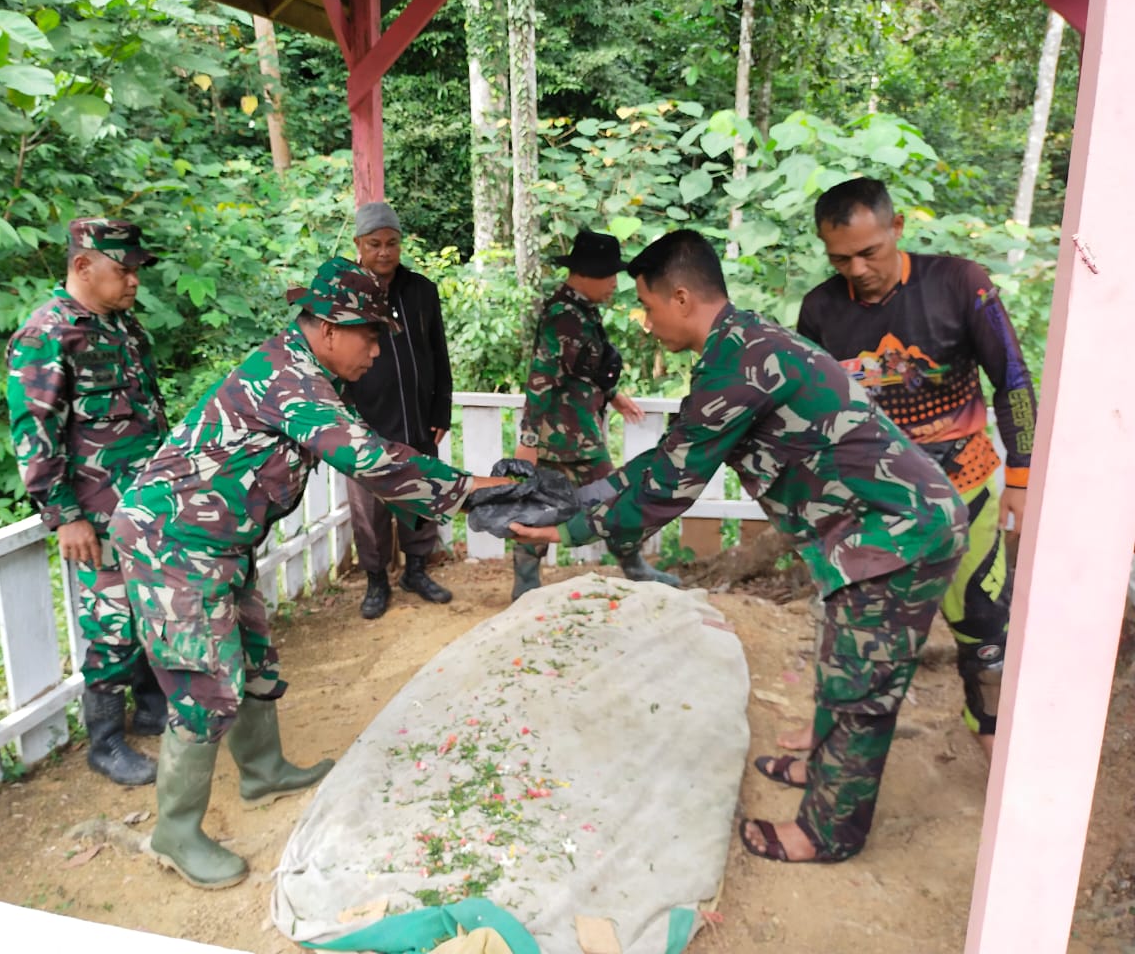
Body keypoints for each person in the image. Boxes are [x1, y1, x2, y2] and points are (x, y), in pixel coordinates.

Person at [511, 230, 969, 864]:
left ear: (680, 296)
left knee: (861, 688)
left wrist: (564, 531)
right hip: (874, 530)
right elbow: (670, 458)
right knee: (845, 661)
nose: (644, 324)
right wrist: (587, 498)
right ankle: (824, 770)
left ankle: (826, 834)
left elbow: (671, 485)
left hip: (899, 533)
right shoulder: (744, 343)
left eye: (647, 307)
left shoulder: (740, 364)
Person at [110, 257, 513, 889]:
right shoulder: (287, 377)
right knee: (204, 684)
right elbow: (371, 461)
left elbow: (376, 449)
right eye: (369, 335)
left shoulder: (308, 372)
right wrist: (475, 491)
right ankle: (175, 832)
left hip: (215, 540)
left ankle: (263, 772)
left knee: (253, 656)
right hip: (173, 542)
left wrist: (468, 486)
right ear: (326, 328)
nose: (376, 351)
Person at [790, 177, 1038, 760]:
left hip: (965, 484)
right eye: (840, 258)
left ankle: (990, 732)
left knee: (982, 622)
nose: (857, 269)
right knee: (851, 621)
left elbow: (1014, 381)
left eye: (869, 252)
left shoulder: (960, 283)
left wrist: (1022, 479)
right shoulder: (820, 310)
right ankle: (831, 724)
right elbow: (808, 409)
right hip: (875, 497)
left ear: (896, 228)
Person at [6, 217, 170, 788]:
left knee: (148, 607)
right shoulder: (48, 334)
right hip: (95, 513)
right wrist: (64, 516)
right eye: (123, 271)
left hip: (143, 501)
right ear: (83, 266)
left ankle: (153, 710)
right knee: (113, 622)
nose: (133, 284)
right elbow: (34, 432)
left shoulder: (122, 327)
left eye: (133, 272)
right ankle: (105, 742)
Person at [511, 229, 679, 600]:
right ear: (587, 273)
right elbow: (542, 379)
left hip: (582, 433)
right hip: (556, 439)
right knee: (540, 508)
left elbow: (583, 368)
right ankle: (525, 581)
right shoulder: (563, 316)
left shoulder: (581, 311)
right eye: (610, 276)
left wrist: (613, 394)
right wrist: (528, 441)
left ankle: (634, 566)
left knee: (613, 500)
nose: (614, 285)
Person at [344, 202, 455, 620]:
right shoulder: (345, 292)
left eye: (392, 243)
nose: (385, 252)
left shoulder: (421, 290)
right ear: (359, 244)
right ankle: (376, 581)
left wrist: (440, 408)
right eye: (375, 244)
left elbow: (438, 354)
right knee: (370, 510)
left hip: (417, 419)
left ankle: (416, 571)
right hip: (365, 423)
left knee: (422, 495)